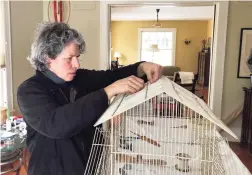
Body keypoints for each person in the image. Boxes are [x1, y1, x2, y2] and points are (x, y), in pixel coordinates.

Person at [17, 22, 163, 175]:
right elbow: (57, 124)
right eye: (69, 58)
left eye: (77, 57)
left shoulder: (80, 78)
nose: (77, 64)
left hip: (89, 165)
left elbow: (111, 76)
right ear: (47, 59)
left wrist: (141, 67)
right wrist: (107, 92)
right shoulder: (29, 91)